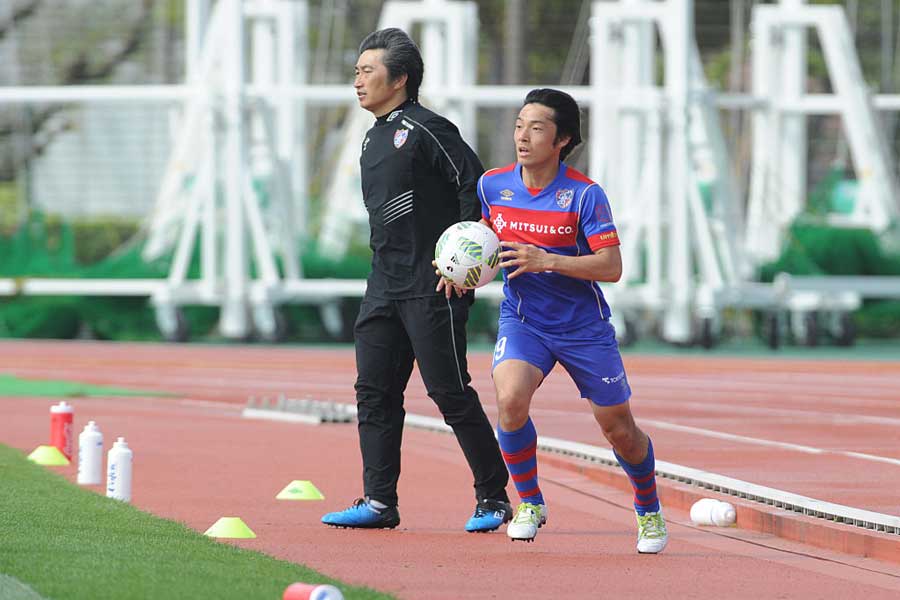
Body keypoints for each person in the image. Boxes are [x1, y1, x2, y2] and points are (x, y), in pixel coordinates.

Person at [321, 28, 512, 533]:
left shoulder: (429, 128)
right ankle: (379, 502)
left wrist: (464, 265)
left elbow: (474, 187)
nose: (357, 81)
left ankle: (494, 498)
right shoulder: (371, 136)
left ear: (399, 78)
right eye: (356, 71)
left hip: (432, 288)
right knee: (374, 392)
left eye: (367, 71)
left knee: (449, 392)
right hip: (383, 285)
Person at [475, 88, 668, 553]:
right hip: (523, 319)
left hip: (583, 328)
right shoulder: (492, 185)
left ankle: (648, 509)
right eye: (519, 126)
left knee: (619, 429)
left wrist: (548, 260)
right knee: (509, 400)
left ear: (562, 140)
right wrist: (462, 269)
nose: (523, 137)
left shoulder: (584, 195)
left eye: (536, 128)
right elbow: (486, 241)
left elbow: (611, 267)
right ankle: (530, 502)